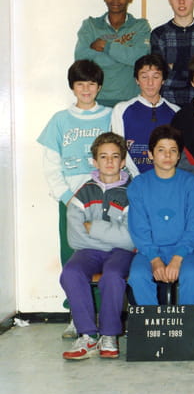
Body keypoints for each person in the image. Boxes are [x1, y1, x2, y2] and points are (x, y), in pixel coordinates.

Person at [37, 59, 112, 339]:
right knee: (73, 258)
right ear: (72, 87)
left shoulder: (110, 116)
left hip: (104, 199)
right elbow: (51, 165)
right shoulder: (60, 120)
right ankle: (76, 316)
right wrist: (68, 198)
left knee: (106, 255)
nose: (86, 89)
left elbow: (120, 157)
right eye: (80, 84)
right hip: (71, 201)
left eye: (91, 84)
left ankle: (104, 315)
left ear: (99, 87)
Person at [59, 132, 134, 360]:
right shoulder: (84, 192)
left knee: (112, 275)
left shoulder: (132, 193)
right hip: (88, 252)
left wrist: (94, 228)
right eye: (103, 157)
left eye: (115, 156)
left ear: (123, 161)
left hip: (121, 253)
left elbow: (130, 239)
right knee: (71, 273)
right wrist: (113, 235)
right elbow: (75, 238)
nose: (109, 161)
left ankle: (109, 335)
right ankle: (88, 335)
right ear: (94, 161)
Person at [127, 125, 194, 305]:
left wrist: (178, 258)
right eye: (161, 150)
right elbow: (139, 227)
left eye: (173, 150)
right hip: (149, 251)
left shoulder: (192, 184)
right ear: (151, 154)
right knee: (138, 276)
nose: (167, 155)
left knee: (192, 275)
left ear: (179, 156)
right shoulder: (138, 185)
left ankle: (185, 323)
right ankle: (153, 322)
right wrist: (154, 259)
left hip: (185, 250)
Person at [74, 0, 151, 106]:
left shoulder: (140, 26)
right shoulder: (91, 26)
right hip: (97, 101)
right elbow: (81, 58)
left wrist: (106, 46)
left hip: (131, 102)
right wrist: (125, 58)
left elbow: (141, 58)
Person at [110, 53, 180, 176]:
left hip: (167, 178)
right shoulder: (121, 110)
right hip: (133, 179)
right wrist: (138, 177)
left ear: (163, 80)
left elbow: (178, 152)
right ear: (137, 80)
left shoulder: (176, 112)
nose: (150, 83)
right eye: (144, 77)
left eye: (156, 77)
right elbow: (119, 149)